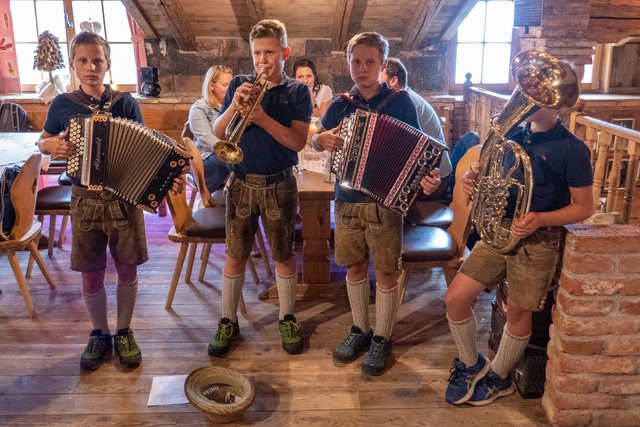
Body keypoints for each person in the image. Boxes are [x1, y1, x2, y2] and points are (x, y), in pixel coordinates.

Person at [36, 32, 183, 371]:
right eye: (84, 61)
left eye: (97, 61)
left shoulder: (125, 103)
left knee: (127, 267)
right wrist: (50, 147)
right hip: (85, 200)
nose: (91, 68)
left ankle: (125, 330)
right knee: (91, 272)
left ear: (108, 64)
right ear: (73, 64)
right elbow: (42, 141)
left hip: (122, 200)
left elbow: (145, 150)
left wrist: (165, 179)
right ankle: (99, 332)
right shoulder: (62, 105)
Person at [443, 107, 594, 406]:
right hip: (499, 229)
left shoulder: (573, 149)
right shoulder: (510, 133)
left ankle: (499, 377)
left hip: (539, 238)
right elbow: (484, 173)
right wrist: (470, 180)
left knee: (518, 312)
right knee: (455, 298)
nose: (530, 101)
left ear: (557, 101)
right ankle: (472, 365)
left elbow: (584, 207)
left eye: (539, 96)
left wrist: (540, 218)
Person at [311, 32, 442, 376]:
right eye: (356, 62)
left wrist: (428, 178)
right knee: (354, 268)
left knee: (386, 271)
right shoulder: (341, 104)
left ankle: (382, 336)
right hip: (348, 199)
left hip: (386, 203)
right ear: (348, 64)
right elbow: (313, 137)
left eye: (370, 62)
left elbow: (419, 153)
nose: (363, 68)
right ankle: (359, 328)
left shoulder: (401, 102)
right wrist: (319, 139)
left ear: (383, 65)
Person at [209, 19, 312, 357]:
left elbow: (296, 142)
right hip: (240, 182)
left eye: (270, 52)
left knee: (283, 255)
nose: (263, 60)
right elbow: (220, 133)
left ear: (284, 52)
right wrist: (235, 107)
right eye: (257, 53)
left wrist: (264, 118)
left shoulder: (297, 91)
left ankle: (287, 316)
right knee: (234, 255)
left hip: (279, 184)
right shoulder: (240, 84)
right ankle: (228, 319)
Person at [380, 57, 452, 200]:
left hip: (436, 180)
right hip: (423, 174)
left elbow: (402, 150)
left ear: (393, 81)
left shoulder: (408, 103)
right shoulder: (399, 99)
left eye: (378, 77)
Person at [188, 65, 233, 193]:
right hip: (206, 158)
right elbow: (207, 139)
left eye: (231, 85)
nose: (230, 89)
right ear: (211, 86)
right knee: (224, 161)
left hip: (227, 154)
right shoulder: (199, 108)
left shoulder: (233, 105)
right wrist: (230, 152)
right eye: (225, 85)